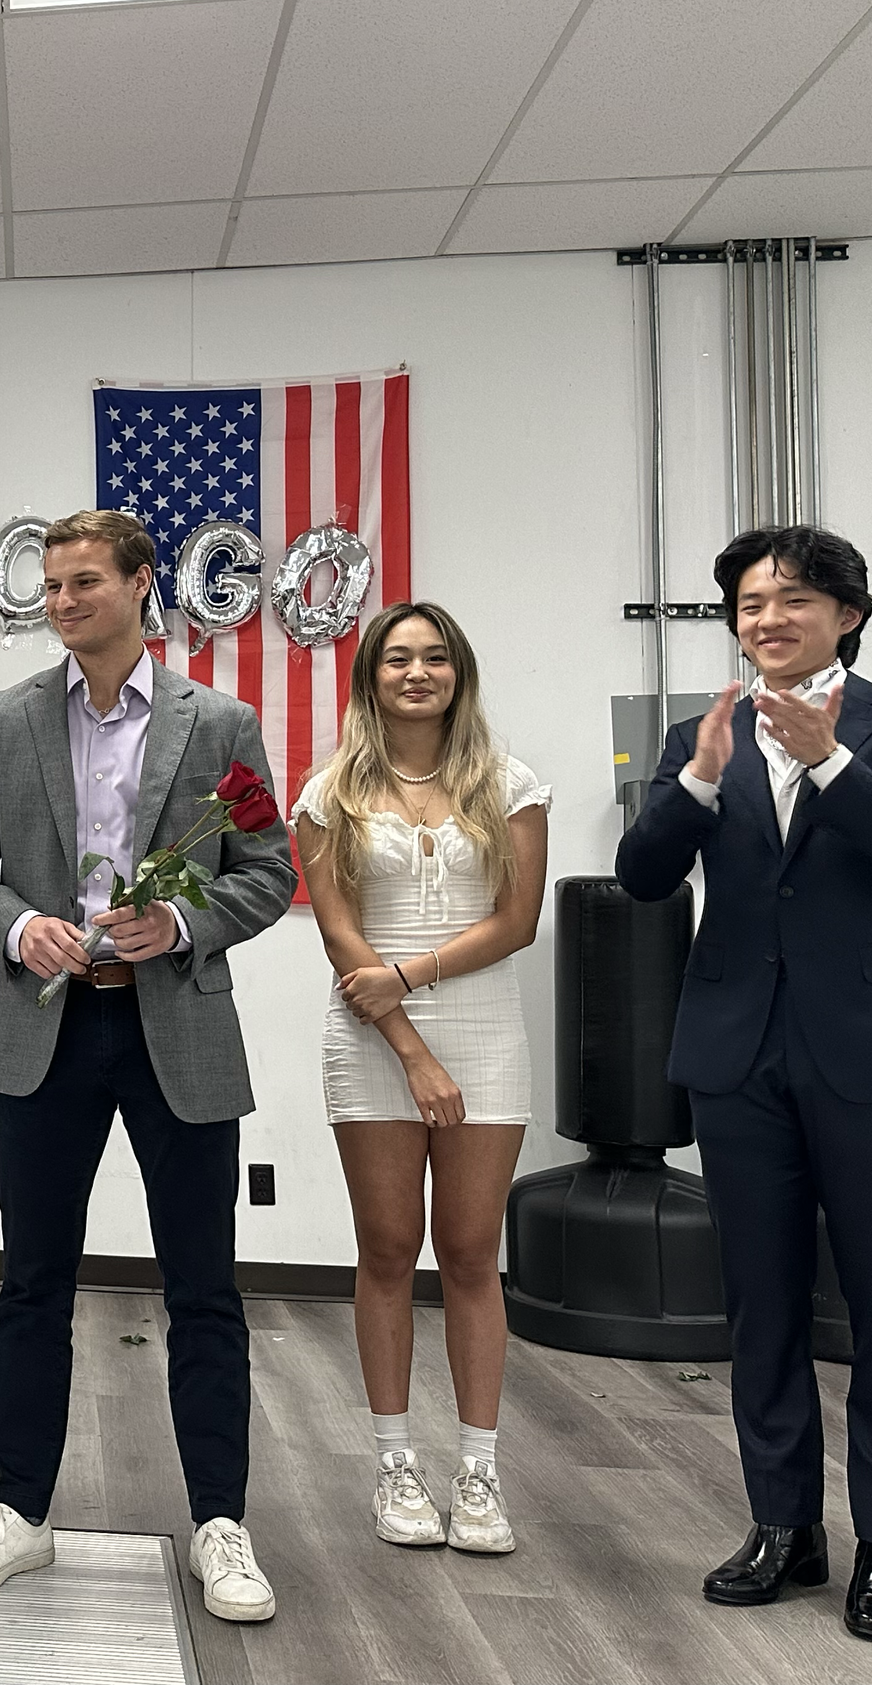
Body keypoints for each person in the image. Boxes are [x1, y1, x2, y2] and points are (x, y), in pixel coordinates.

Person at [0, 509, 295, 1619]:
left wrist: (180, 925)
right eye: (50, 585)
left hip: (172, 1026)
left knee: (203, 1289)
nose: (63, 601)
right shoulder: (2, 720)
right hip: (45, 1026)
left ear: (142, 587)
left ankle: (221, 1525)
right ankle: (19, 1510)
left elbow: (268, 870)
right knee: (31, 1285)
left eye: (85, 581)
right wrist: (12, 926)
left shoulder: (219, 722)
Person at [618, 526, 872, 1643]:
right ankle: (783, 1527)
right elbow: (640, 879)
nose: (764, 619)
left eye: (790, 600)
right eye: (747, 604)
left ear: (847, 613)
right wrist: (691, 783)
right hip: (738, 1051)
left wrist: (828, 759)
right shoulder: (700, 732)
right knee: (759, 1305)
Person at [292, 602, 548, 1557]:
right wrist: (408, 1039)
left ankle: (478, 1473)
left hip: (482, 1030)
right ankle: (395, 1462)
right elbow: (340, 940)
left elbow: (517, 921)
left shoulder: (511, 784)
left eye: (435, 656)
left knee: (475, 1251)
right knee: (390, 1247)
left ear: (458, 672)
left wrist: (413, 974)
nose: (417, 672)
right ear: (371, 678)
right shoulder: (330, 795)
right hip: (371, 1035)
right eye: (398, 657)